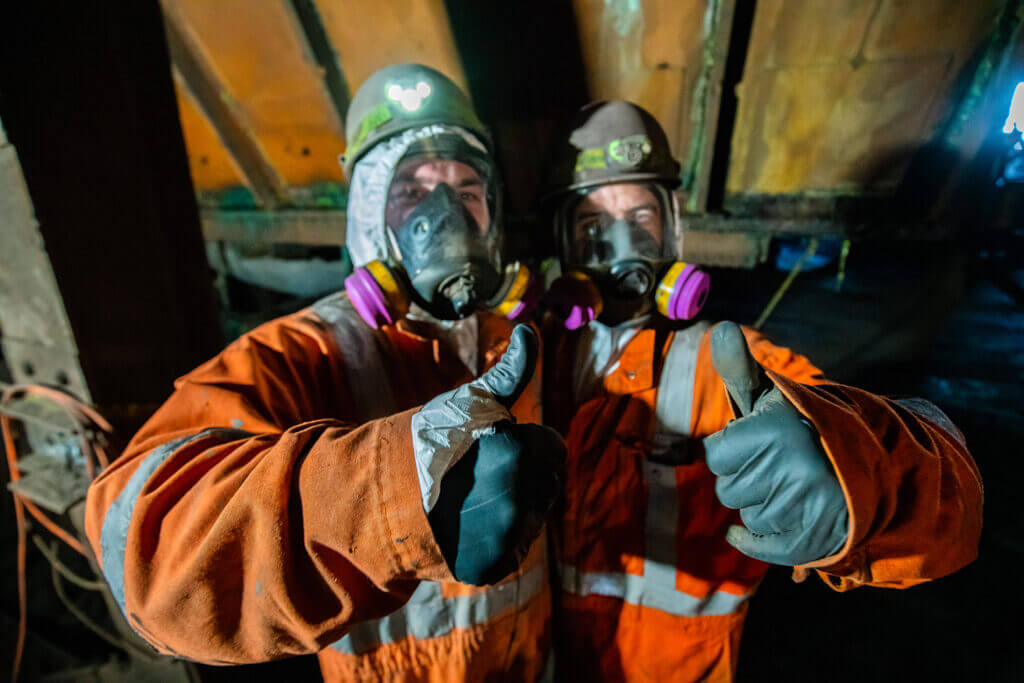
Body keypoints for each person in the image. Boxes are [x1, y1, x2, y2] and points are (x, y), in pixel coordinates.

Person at [83, 64, 565, 681]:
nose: (446, 215)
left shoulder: (516, 342)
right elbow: (149, 561)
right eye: (412, 192)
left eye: (467, 191)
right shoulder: (304, 351)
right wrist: (396, 494)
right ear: (366, 213)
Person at [541, 100, 983, 681]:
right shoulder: (534, 355)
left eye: (641, 217)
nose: (621, 242)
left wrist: (854, 470)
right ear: (565, 244)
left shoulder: (728, 362)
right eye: (593, 224)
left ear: (673, 228)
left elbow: (951, 500)